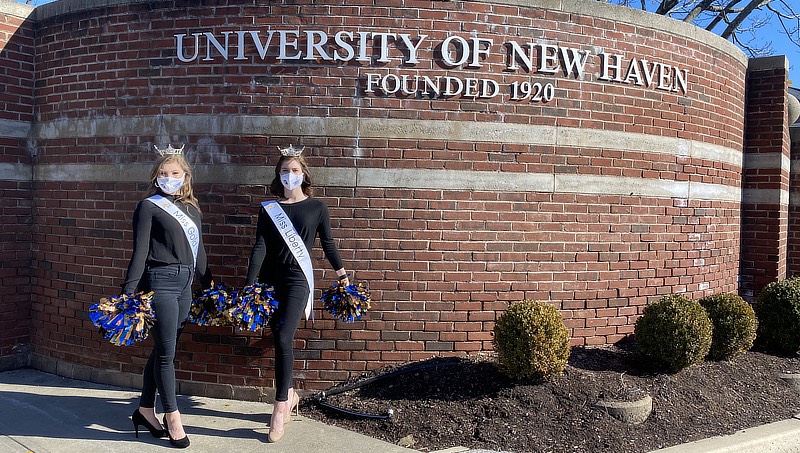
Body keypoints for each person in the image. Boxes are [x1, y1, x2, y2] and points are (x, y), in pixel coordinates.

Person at [245, 145, 349, 443]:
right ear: (278, 175)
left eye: (294, 170)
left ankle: (279, 407)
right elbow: (260, 247)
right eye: (284, 171)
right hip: (269, 282)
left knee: (282, 337)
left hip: (296, 280)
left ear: (304, 174)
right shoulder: (269, 208)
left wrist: (341, 274)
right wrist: (251, 284)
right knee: (277, 335)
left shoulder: (317, 207)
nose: (289, 175)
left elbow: (328, 244)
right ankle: (289, 394)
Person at [123, 144, 213, 449]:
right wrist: (127, 293)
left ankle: (145, 410)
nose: (168, 177)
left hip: (186, 284)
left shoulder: (192, 208)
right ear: (155, 176)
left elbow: (199, 252)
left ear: (185, 175)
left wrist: (212, 285)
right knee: (165, 354)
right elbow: (140, 253)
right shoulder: (148, 207)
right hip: (160, 282)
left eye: (174, 173)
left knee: (164, 350)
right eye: (162, 173)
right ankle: (173, 417)